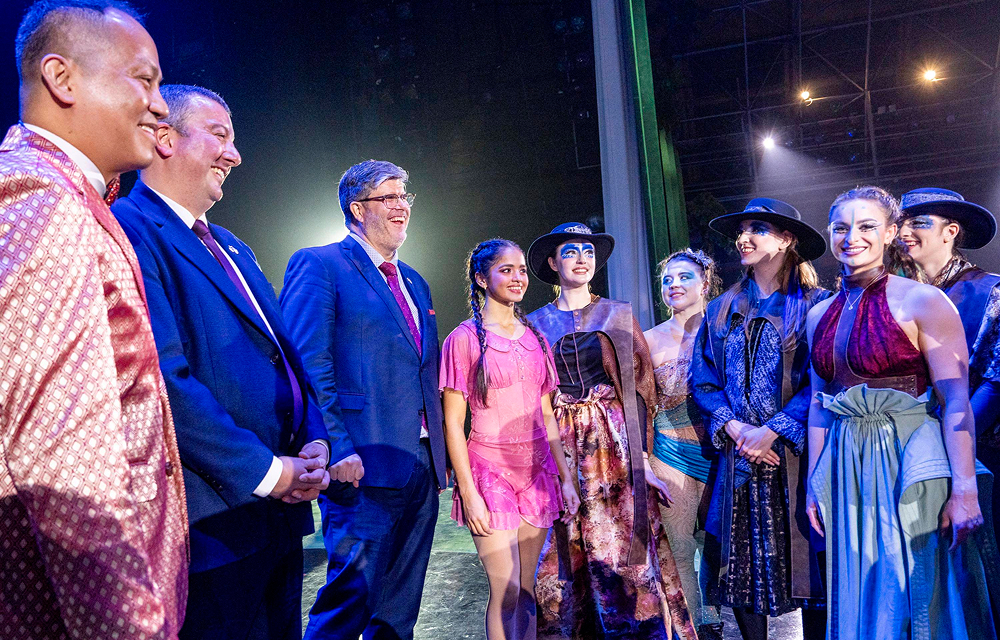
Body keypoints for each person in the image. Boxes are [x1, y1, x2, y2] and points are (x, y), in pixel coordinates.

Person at [111, 85, 331, 640]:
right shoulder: (130, 231)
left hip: (276, 514)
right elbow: (164, 379)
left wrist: (314, 440)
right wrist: (266, 471)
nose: (235, 155)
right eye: (220, 136)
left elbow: (286, 356)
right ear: (165, 139)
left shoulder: (230, 244)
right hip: (212, 520)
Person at [0, 2, 188, 638]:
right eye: (144, 79)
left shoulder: (65, 196)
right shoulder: (44, 203)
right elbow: (65, 465)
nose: (161, 106)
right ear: (63, 79)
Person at [806, 186, 995, 639]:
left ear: (892, 232)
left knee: (914, 586)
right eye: (841, 227)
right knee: (861, 579)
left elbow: (956, 403)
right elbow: (818, 405)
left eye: (868, 225)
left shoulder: (924, 301)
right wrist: (814, 482)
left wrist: (965, 489)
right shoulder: (819, 315)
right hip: (846, 460)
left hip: (908, 456)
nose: (853, 237)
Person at [280, 160, 446, 640]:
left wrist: (439, 457)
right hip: (362, 462)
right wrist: (336, 446)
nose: (402, 207)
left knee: (399, 610)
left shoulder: (414, 281)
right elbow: (309, 365)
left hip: (419, 464)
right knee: (351, 601)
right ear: (357, 208)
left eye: (405, 196)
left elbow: (422, 370)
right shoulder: (321, 264)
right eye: (389, 197)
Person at [526, 222, 696, 640]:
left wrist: (642, 460)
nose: (581, 259)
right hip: (560, 443)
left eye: (588, 251)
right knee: (566, 548)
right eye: (570, 252)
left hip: (612, 442)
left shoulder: (617, 313)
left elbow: (637, 389)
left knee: (623, 547)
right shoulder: (534, 322)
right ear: (552, 263)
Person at [691, 198, 829, 640]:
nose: (744, 238)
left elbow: (822, 381)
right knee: (744, 571)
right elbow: (704, 379)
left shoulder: (815, 305)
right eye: (742, 229)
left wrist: (773, 431)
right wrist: (735, 428)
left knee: (810, 567)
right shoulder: (722, 308)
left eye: (758, 229)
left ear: (786, 239)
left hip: (793, 458)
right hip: (740, 459)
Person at [440, 238, 580, 639]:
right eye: (506, 270)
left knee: (528, 590)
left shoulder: (535, 335)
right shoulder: (464, 339)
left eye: (521, 270)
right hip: (489, 471)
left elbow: (547, 413)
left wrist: (565, 477)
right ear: (482, 279)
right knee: (506, 590)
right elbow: (454, 424)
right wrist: (469, 494)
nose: (518, 277)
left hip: (536, 472)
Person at [643, 248, 723, 640]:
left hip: (719, 452)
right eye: (667, 280)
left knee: (716, 547)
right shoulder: (648, 340)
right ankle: (691, 629)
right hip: (668, 449)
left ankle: (712, 619)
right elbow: (638, 404)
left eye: (684, 277)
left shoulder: (725, 331)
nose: (674, 284)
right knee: (676, 549)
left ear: (705, 283)